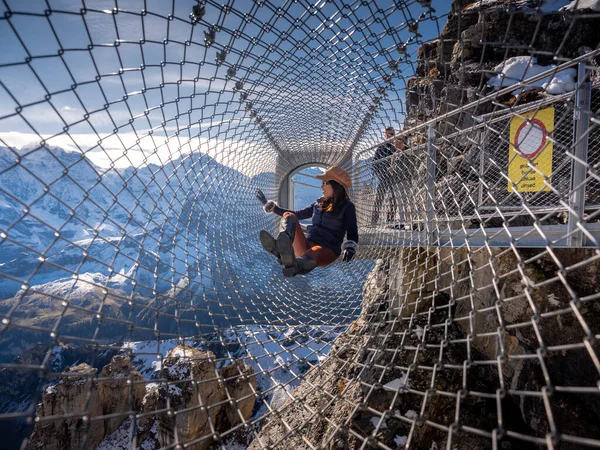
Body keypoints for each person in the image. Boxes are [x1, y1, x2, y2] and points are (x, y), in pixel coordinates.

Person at [256, 166, 359, 277]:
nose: (321, 186)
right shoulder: (319, 203)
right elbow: (298, 214)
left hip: (327, 250)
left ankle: (295, 265)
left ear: (335, 185)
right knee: (289, 216)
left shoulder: (347, 207)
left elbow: (352, 230)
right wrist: (271, 207)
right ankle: (283, 248)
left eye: (325, 183)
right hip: (306, 245)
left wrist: (350, 247)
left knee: (314, 252)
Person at [371, 126, 399, 227]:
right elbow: (374, 163)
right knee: (379, 198)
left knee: (394, 198)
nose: (390, 136)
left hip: (394, 176)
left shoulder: (397, 146)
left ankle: (389, 221)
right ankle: (373, 222)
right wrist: (381, 174)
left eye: (392, 134)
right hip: (383, 176)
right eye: (388, 134)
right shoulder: (381, 147)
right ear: (385, 135)